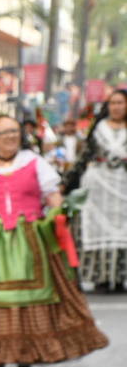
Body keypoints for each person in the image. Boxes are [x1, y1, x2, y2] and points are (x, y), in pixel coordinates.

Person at [0, 114, 108, 367]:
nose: (10, 137)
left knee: (30, 301)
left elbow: (52, 196)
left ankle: (25, 356)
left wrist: (60, 218)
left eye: (14, 131)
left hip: (30, 239)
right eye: (3, 133)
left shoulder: (34, 163)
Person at [67, 88, 127, 291]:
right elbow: (83, 158)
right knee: (96, 229)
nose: (116, 107)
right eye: (113, 103)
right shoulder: (99, 129)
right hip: (98, 186)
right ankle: (100, 277)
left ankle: (120, 278)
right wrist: (66, 183)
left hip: (123, 186)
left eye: (120, 103)